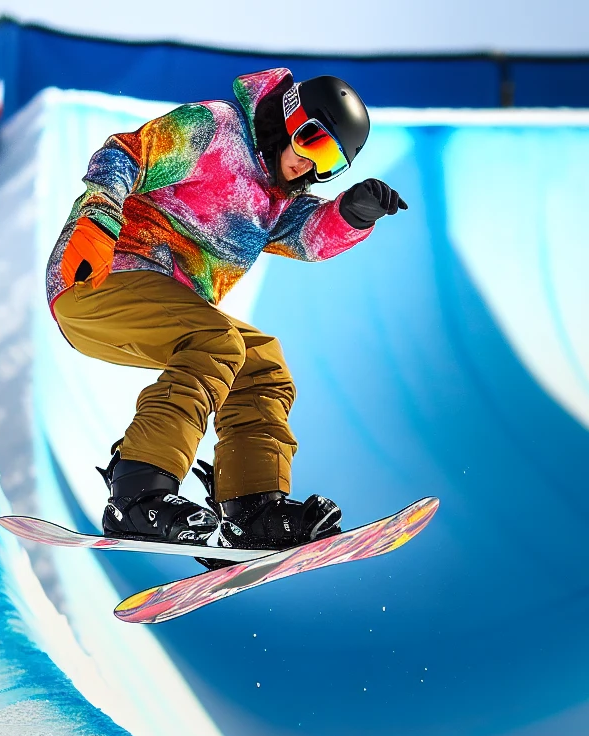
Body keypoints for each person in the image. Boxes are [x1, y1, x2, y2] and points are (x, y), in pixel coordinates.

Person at [46, 69, 406, 554]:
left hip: (162, 305)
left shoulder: (278, 199)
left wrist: (351, 214)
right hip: (99, 274)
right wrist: (98, 218)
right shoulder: (214, 130)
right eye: (311, 141)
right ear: (289, 115)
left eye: (328, 161)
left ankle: (252, 508)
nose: (308, 164)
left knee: (261, 365)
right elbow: (125, 154)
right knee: (217, 341)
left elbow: (307, 234)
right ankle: (137, 497)